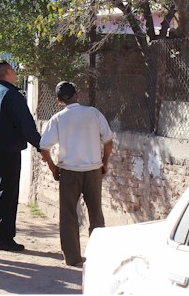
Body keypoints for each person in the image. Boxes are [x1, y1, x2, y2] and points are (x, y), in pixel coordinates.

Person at [39, 81, 114, 267]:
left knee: (68, 215)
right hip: (93, 170)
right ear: (77, 95)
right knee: (96, 213)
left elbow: (44, 148)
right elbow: (108, 141)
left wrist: (53, 167)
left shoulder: (57, 119)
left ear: (58, 100)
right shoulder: (94, 113)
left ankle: (72, 257)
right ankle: (98, 254)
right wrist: (104, 163)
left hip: (69, 172)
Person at [0, 60, 42, 252]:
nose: (15, 73)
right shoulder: (12, 95)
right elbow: (26, 124)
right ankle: (4, 238)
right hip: (8, 149)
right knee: (8, 192)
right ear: (7, 73)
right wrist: (40, 145)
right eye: (13, 70)